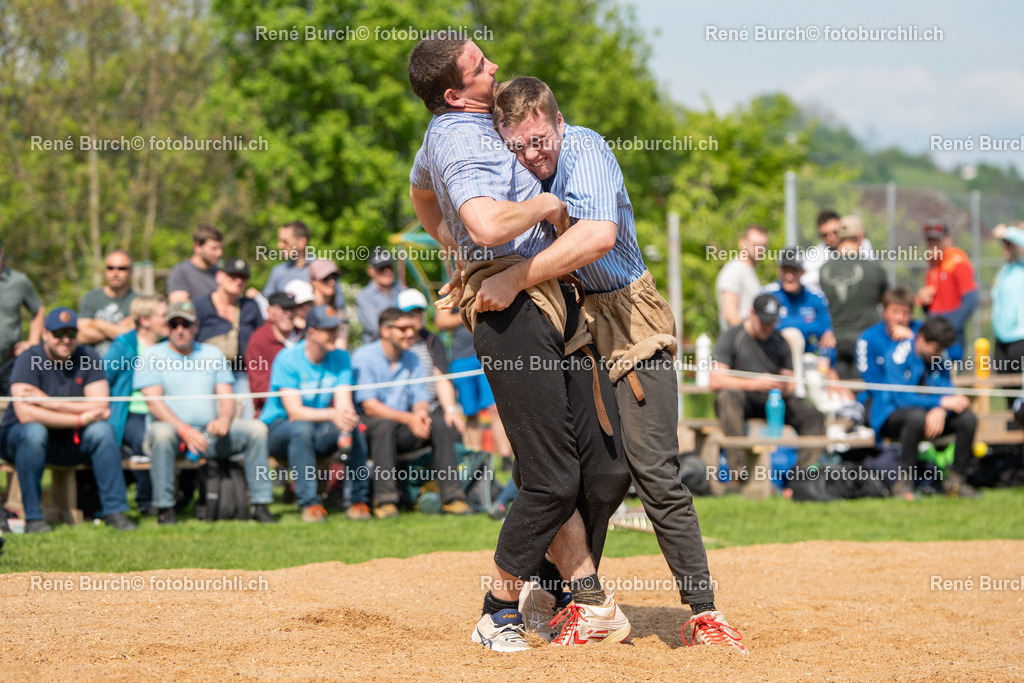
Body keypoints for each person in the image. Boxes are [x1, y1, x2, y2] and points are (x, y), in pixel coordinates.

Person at [490, 76, 745, 651]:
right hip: (572, 324)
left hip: (630, 320)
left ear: (556, 123)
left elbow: (598, 237)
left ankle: (704, 611)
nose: (532, 155)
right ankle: (575, 602)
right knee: (595, 476)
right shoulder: (518, 173)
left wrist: (513, 277)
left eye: (538, 140)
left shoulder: (586, 149)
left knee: (655, 470)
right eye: (517, 147)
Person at [409, 35, 631, 651]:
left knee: (606, 465)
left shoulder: (467, 129)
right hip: (510, 309)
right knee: (551, 478)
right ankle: (499, 609)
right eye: (480, 66)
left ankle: (563, 593)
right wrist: (545, 204)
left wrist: (448, 245)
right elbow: (482, 221)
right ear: (454, 94)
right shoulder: (457, 135)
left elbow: (420, 192)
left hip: (552, 298)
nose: (495, 67)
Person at [134, 301, 275, 525]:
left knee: (256, 430)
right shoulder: (151, 356)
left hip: (210, 435)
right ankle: (165, 509)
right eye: (174, 324)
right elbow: (154, 404)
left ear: (196, 326)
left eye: (186, 324)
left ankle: (261, 504)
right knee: (162, 433)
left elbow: (226, 396)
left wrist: (223, 419)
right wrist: (185, 430)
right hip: (173, 436)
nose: (180, 330)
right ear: (166, 327)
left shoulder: (212, 353)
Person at [0, 307, 136, 532]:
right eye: (58, 333)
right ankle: (33, 518)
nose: (65, 339)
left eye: (71, 333)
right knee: (34, 432)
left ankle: (114, 511)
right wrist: (81, 418)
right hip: (21, 441)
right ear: (45, 334)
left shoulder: (88, 356)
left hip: (70, 441)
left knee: (103, 431)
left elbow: (101, 405)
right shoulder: (29, 358)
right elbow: (27, 414)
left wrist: (49, 402)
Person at [351, 307, 471, 518]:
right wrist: (410, 418)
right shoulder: (364, 356)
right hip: (369, 430)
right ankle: (385, 501)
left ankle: (453, 497)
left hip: (403, 427)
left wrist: (420, 414)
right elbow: (369, 406)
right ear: (385, 331)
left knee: (440, 422)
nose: (410, 333)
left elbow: (420, 397)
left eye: (412, 328)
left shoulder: (413, 358)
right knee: (382, 425)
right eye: (403, 329)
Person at [710, 294, 828, 500]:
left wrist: (780, 384)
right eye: (764, 322)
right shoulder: (732, 336)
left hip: (774, 400)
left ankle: (800, 479)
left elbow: (791, 384)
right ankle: (738, 472)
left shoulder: (780, 341)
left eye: (772, 322)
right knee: (727, 397)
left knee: (814, 416)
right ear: (752, 314)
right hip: (742, 400)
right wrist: (754, 383)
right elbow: (716, 380)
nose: (767, 327)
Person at [262, 305, 368, 522]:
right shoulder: (287, 358)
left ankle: (357, 501)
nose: (334, 334)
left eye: (336, 329)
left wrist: (346, 417)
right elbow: (294, 412)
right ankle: (309, 505)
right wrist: (333, 414)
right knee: (301, 429)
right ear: (311, 333)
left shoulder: (340, 357)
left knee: (354, 427)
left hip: (316, 425)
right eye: (328, 330)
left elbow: (343, 402)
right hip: (278, 428)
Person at [871, 316, 978, 499]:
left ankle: (956, 481)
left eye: (941, 350)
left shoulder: (940, 356)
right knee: (916, 417)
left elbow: (947, 390)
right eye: (935, 349)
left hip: (929, 415)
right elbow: (901, 398)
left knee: (968, 419)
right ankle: (904, 483)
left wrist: (941, 410)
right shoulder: (897, 355)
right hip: (891, 415)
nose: (938, 354)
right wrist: (939, 403)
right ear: (920, 339)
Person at [104, 296, 169, 514]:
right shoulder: (124, 346)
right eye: (162, 315)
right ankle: (146, 501)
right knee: (145, 442)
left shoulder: (166, 346)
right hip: (132, 412)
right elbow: (103, 377)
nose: (167, 320)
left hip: (164, 409)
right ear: (145, 320)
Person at [818, 216, 889, 380]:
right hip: (867, 341)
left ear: (838, 238)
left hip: (834, 343)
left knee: (839, 395)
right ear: (860, 236)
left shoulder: (824, 270)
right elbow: (886, 302)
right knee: (865, 393)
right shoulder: (874, 269)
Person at [193, 258, 264, 419]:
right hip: (207, 374)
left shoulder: (250, 306)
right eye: (232, 276)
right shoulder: (199, 306)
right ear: (219, 277)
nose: (238, 281)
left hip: (241, 373)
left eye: (243, 277)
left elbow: (261, 339)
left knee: (248, 421)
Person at [917, 221, 978, 352]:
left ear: (947, 240)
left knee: (953, 369)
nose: (933, 245)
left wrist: (947, 327)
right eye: (930, 241)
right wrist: (924, 302)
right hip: (934, 333)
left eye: (937, 241)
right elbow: (932, 307)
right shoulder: (933, 266)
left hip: (951, 335)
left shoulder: (957, 262)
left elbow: (971, 300)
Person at [855, 287, 920, 411]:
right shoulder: (868, 339)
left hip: (916, 398)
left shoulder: (920, 332)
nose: (900, 318)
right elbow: (872, 381)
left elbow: (953, 352)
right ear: (884, 312)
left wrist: (912, 339)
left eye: (905, 313)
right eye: (894, 311)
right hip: (882, 402)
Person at [0, 236, 45, 396]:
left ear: (2, 252)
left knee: (9, 414)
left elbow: (38, 310)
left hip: (8, 362)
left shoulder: (19, 281)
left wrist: (33, 343)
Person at [245, 292, 300, 416]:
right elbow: (259, 385)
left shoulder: (305, 337)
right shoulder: (258, 340)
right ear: (269, 312)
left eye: (292, 309)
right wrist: (292, 401)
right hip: (273, 412)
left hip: (309, 407)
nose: (288, 314)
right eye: (283, 309)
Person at [77, 250, 138, 356]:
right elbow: (80, 336)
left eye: (121, 268)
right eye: (110, 268)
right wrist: (118, 330)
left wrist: (97, 324)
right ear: (105, 270)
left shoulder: (138, 301)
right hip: (90, 365)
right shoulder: (91, 297)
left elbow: (132, 336)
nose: (115, 272)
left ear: (131, 271)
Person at [715, 224, 768, 331]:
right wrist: (747, 341)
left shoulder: (748, 271)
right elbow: (731, 315)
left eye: (763, 246)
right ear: (742, 243)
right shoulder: (734, 270)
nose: (760, 250)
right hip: (739, 343)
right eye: (755, 245)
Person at [990, 223, 1024, 380]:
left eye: (1009, 242)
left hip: (1020, 339)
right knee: (1007, 391)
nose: (1005, 246)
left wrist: (1007, 232)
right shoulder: (1004, 270)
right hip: (1001, 340)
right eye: (1003, 242)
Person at [356, 248, 404, 344]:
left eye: (390, 267)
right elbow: (377, 327)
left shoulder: (404, 291)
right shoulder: (365, 296)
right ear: (371, 271)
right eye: (382, 268)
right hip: (377, 348)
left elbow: (419, 321)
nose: (387, 272)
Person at [167, 224, 223, 303]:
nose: (219, 253)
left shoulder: (220, 272)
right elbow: (179, 307)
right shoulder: (181, 272)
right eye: (214, 248)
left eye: (220, 248)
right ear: (197, 246)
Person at [308, 259, 350, 349]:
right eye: (325, 278)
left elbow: (340, 349)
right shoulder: (305, 310)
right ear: (313, 282)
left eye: (334, 277)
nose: (332, 282)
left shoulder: (339, 314)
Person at [801, 209, 841, 291]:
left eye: (835, 232)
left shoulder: (860, 246)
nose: (831, 237)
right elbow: (805, 282)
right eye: (825, 235)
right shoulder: (813, 257)